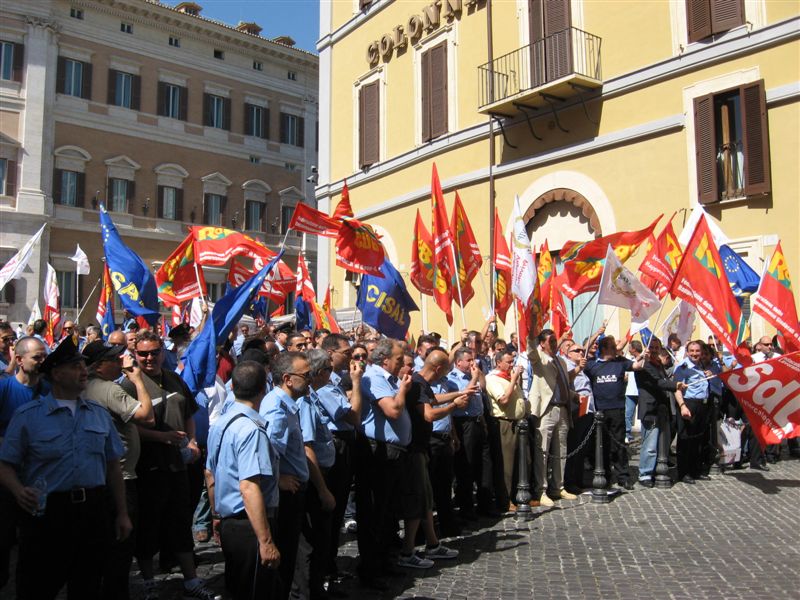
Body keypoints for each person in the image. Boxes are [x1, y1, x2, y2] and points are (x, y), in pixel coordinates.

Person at [0, 337, 132, 600]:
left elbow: (113, 467)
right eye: (75, 366)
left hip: (92, 511)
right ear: (56, 374)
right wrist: (18, 490)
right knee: (37, 587)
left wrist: (122, 513)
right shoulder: (28, 416)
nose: (83, 371)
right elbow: (5, 464)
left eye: (83, 365)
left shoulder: (98, 413)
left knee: (87, 585)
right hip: (47, 513)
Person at [120, 332, 216, 600]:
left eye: (154, 352)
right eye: (143, 354)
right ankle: (149, 582)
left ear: (163, 352)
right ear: (135, 355)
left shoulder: (175, 379)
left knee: (180, 523)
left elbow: (188, 414)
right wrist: (161, 437)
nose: (149, 358)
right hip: (148, 467)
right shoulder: (129, 385)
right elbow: (128, 427)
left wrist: (192, 441)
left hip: (178, 466)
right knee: (148, 527)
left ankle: (191, 580)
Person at [82, 340, 156, 600]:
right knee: (120, 549)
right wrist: (137, 380)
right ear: (98, 366)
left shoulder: (84, 387)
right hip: (121, 478)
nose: (120, 363)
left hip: (98, 477)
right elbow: (147, 416)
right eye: (114, 360)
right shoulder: (108, 389)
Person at [206, 361, 280, 600]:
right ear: (263, 390)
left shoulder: (220, 423)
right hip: (249, 524)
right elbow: (249, 486)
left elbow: (209, 474)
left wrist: (216, 515)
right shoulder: (251, 430)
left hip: (230, 521)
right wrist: (265, 541)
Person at [354, 338, 412, 589]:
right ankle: (370, 569)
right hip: (379, 453)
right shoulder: (374, 378)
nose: (402, 363)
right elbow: (393, 410)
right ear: (385, 359)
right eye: (399, 359)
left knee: (389, 512)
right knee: (375, 513)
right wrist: (403, 389)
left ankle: (385, 560)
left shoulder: (389, 378)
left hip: (395, 453)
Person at [401, 348, 463, 565]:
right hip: (414, 449)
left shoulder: (422, 383)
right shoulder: (417, 384)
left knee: (426, 499)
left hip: (421, 448)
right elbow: (428, 414)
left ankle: (433, 544)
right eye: (445, 371)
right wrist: (454, 406)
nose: (445, 375)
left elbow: (433, 400)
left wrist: (457, 394)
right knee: (418, 500)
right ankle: (407, 552)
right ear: (437, 369)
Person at [259, 351, 312, 599]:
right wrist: (278, 479)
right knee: (286, 555)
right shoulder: (277, 409)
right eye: (306, 375)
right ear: (288, 379)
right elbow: (268, 451)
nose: (310, 379)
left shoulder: (287, 404)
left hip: (294, 487)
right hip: (286, 493)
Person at [0, 336, 49, 590]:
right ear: (19, 360)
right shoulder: (4, 389)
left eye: (44, 356)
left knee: (34, 546)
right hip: (6, 478)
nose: (42, 361)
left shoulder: (49, 390)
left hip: (39, 480)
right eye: (37, 357)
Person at [318, 333, 363, 584]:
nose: (350, 357)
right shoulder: (325, 385)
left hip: (344, 442)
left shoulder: (335, 380)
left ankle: (330, 564)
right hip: (335, 444)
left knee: (339, 506)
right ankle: (325, 568)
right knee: (332, 511)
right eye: (346, 353)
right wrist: (356, 384)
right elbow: (352, 415)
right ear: (329, 353)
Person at [583, 336, 645, 490]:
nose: (616, 350)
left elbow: (637, 366)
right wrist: (597, 334)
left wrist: (644, 356)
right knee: (602, 444)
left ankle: (623, 476)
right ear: (604, 349)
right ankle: (605, 475)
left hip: (617, 408)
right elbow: (583, 353)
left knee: (619, 444)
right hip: (599, 411)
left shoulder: (620, 362)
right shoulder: (592, 364)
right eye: (612, 347)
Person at [528, 327, 579, 507]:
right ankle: (541, 490)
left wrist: (573, 394)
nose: (554, 343)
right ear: (542, 343)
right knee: (542, 451)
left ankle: (558, 486)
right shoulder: (540, 359)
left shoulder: (561, 361)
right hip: (547, 410)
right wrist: (531, 328)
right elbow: (531, 351)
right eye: (550, 341)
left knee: (561, 450)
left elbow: (562, 383)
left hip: (562, 409)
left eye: (555, 340)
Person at [635, 337, 689, 487]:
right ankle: (645, 475)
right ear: (646, 348)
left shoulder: (658, 364)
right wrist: (676, 385)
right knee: (650, 445)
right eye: (651, 347)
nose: (654, 350)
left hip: (662, 408)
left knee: (662, 443)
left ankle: (657, 470)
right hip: (650, 408)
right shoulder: (643, 364)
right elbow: (657, 382)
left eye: (656, 347)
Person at [448, 347, 492, 518]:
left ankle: (485, 503)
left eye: (473, 359)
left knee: (484, 464)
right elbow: (463, 401)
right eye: (469, 360)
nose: (472, 363)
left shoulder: (473, 374)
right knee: (466, 466)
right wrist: (473, 378)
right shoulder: (452, 379)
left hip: (478, 421)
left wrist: (478, 374)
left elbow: (483, 388)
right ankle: (466, 508)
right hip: (464, 424)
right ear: (458, 362)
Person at [484, 348, 526, 511]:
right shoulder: (492, 379)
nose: (511, 365)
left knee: (520, 461)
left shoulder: (509, 377)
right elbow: (504, 400)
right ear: (498, 362)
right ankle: (505, 499)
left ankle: (518, 494)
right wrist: (514, 380)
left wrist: (516, 379)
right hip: (504, 423)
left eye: (512, 362)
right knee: (506, 464)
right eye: (508, 362)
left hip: (518, 422)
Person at [672, 340, 712, 484]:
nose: (695, 354)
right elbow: (677, 389)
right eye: (692, 351)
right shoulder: (683, 367)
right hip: (689, 404)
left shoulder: (701, 365)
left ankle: (695, 470)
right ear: (687, 352)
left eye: (697, 351)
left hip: (702, 405)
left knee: (698, 440)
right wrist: (683, 406)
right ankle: (684, 472)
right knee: (686, 439)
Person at [625, 340, 643, 443]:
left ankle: (644, 435)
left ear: (634, 349)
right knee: (628, 414)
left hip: (642, 391)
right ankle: (627, 434)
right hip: (630, 391)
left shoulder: (644, 359)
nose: (628, 349)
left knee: (643, 414)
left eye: (629, 347)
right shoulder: (629, 360)